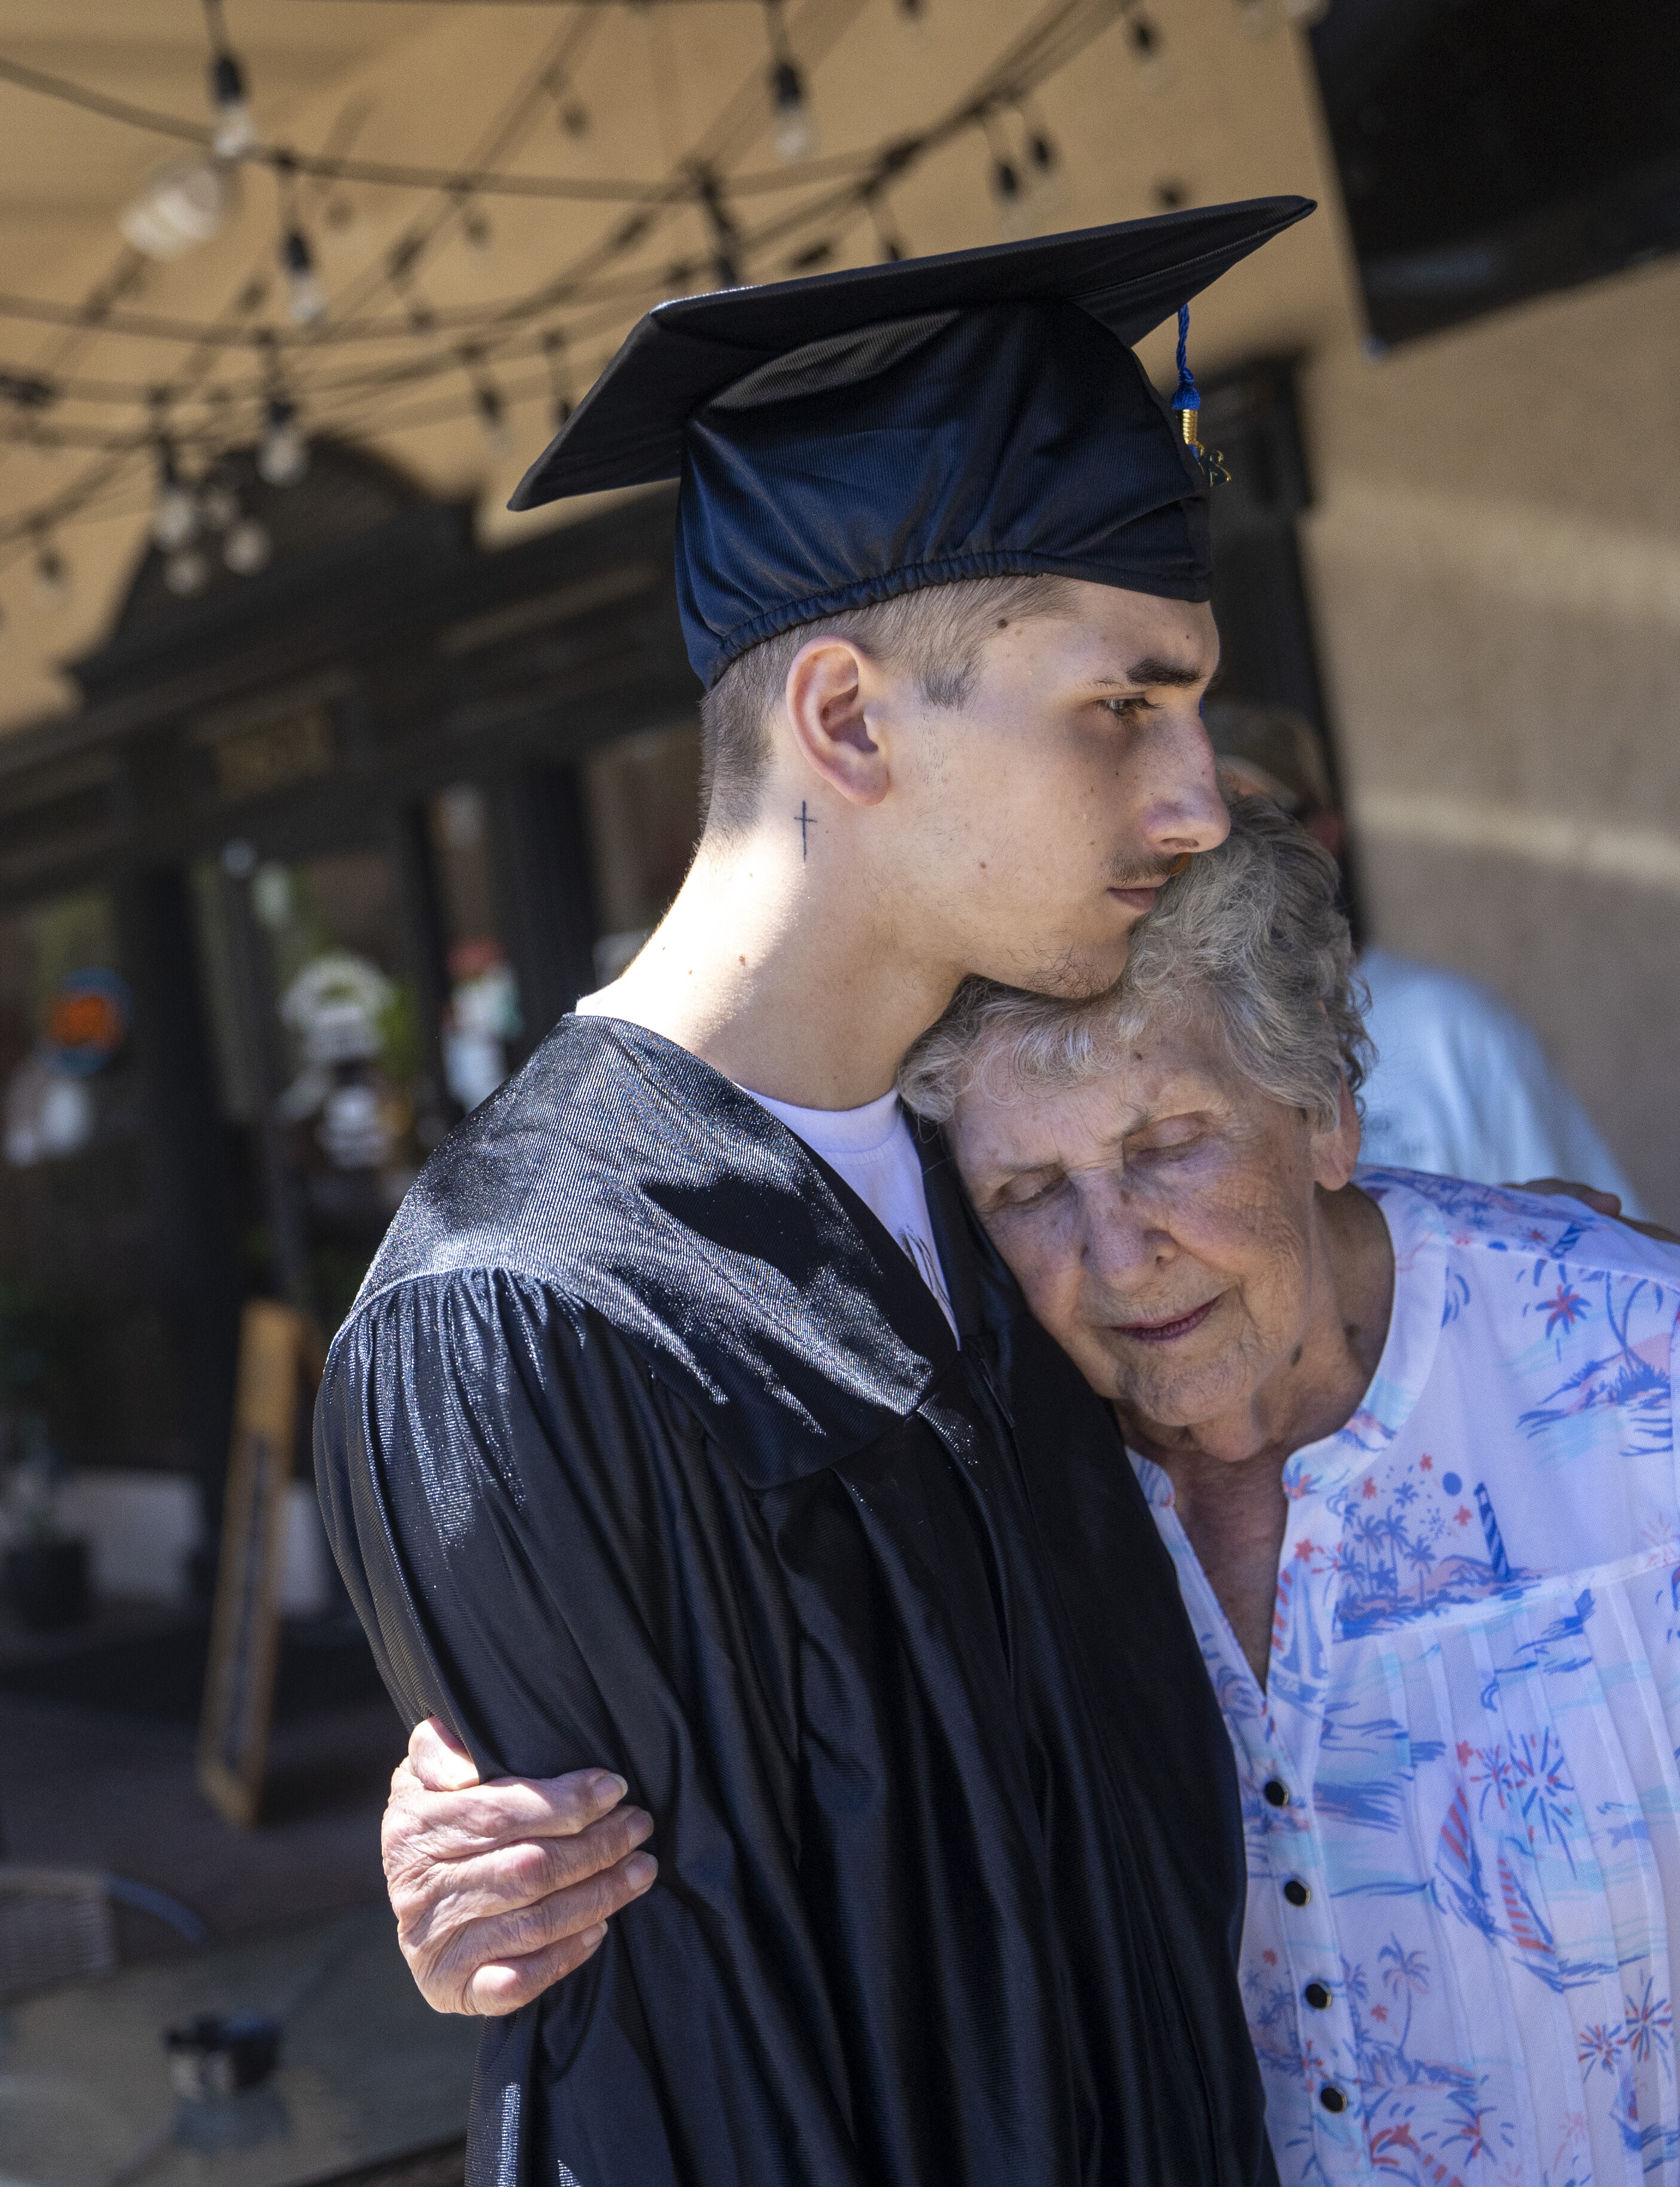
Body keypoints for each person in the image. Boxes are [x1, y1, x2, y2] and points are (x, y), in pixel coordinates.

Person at [372, 810, 1680, 2187]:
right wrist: (487, 1863)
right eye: (1028, 1196)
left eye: (1166, 1148)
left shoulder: (1646, 1368)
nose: (1115, 1257)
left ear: (1319, 1114)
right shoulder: (942, 1490)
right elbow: (749, 1821)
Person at [315, 197, 1317, 2185]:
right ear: (849, 720)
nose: (1196, 793)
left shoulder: (993, 1179)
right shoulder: (529, 1316)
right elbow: (683, 2093)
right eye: (1122, 703)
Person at [1206, 701, 1642, 1212]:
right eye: (1213, 829)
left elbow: (1583, 1241)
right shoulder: (1162, 1039)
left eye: (1267, 823)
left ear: (1326, 834)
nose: (1233, 857)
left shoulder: (1450, 1027)